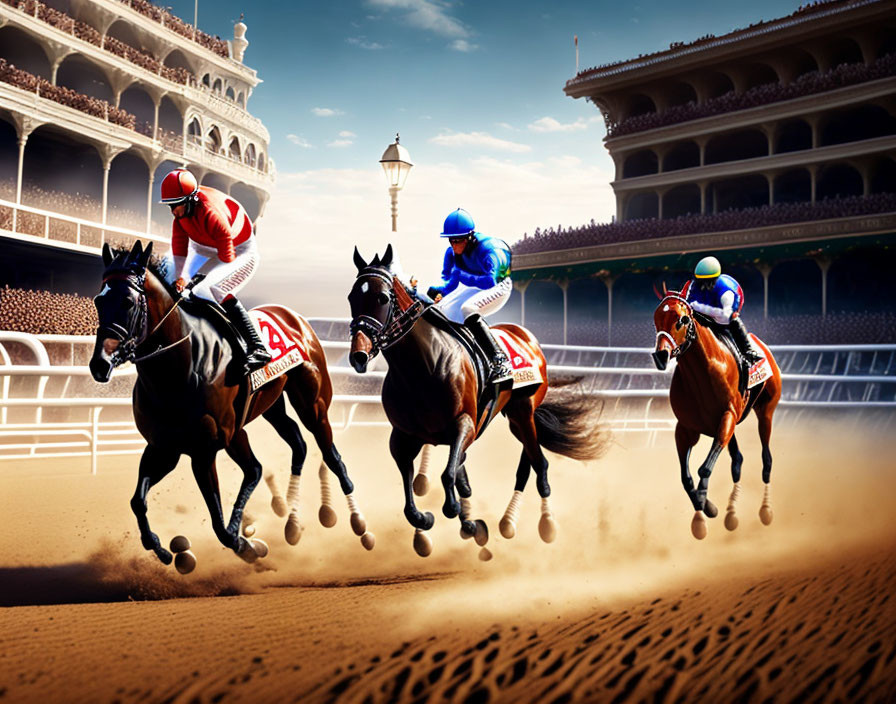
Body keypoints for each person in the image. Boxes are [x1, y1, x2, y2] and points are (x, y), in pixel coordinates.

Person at [158, 168, 271, 374]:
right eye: (170, 205)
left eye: (177, 205)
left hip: (237, 250)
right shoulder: (180, 216)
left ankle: (257, 347)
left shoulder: (211, 213)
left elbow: (225, 258)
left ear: (191, 200)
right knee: (166, 273)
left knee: (208, 289)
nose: (173, 211)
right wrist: (180, 278)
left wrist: (196, 277)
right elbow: (180, 249)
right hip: (203, 245)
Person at [426, 208, 513, 384]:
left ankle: (499, 360)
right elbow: (449, 283)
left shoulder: (490, 249)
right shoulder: (451, 253)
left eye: (459, 240)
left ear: (470, 237)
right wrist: (436, 291)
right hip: (477, 286)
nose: (454, 245)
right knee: (441, 310)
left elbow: (491, 282)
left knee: (468, 308)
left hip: (499, 285)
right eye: (451, 240)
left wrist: (462, 276)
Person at [681, 256, 764, 369]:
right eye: (700, 281)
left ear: (714, 280)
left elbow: (725, 317)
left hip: (724, 317)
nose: (702, 286)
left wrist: (698, 307)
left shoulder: (726, 291)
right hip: (705, 313)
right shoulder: (694, 285)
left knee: (734, 321)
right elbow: (688, 304)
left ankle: (748, 351)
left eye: (707, 282)